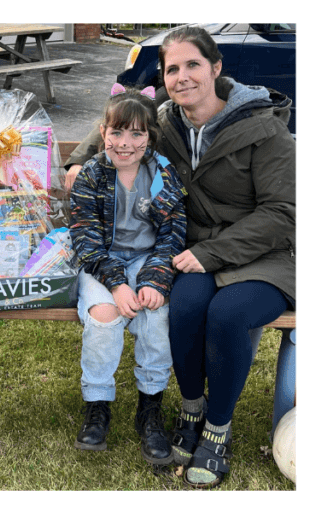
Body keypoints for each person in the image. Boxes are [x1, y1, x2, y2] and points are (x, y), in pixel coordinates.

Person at [65, 26, 295, 488]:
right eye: (172, 68)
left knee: (228, 315)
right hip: (192, 251)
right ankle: (190, 409)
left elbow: (283, 212)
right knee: (185, 306)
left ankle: (217, 430)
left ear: (216, 67)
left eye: (193, 65)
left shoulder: (264, 127)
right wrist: (80, 159)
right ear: (164, 78)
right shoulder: (166, 121)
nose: (182, 76)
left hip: (258, 252)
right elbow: (117, 124)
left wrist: (210, 252)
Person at [69, 85, 186, 465]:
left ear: (150, 136)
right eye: (116, 133)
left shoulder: (162, 173)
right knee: (105, 316)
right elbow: (86, 240)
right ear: (103, 133)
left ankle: (149, 407)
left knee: (157, 314)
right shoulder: (91, 174)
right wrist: (117, 286)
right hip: (102, 262)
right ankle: (97, 404)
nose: (124, 143)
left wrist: (155, 280)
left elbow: (172, 233)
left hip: (150, 260)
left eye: (136, 133)